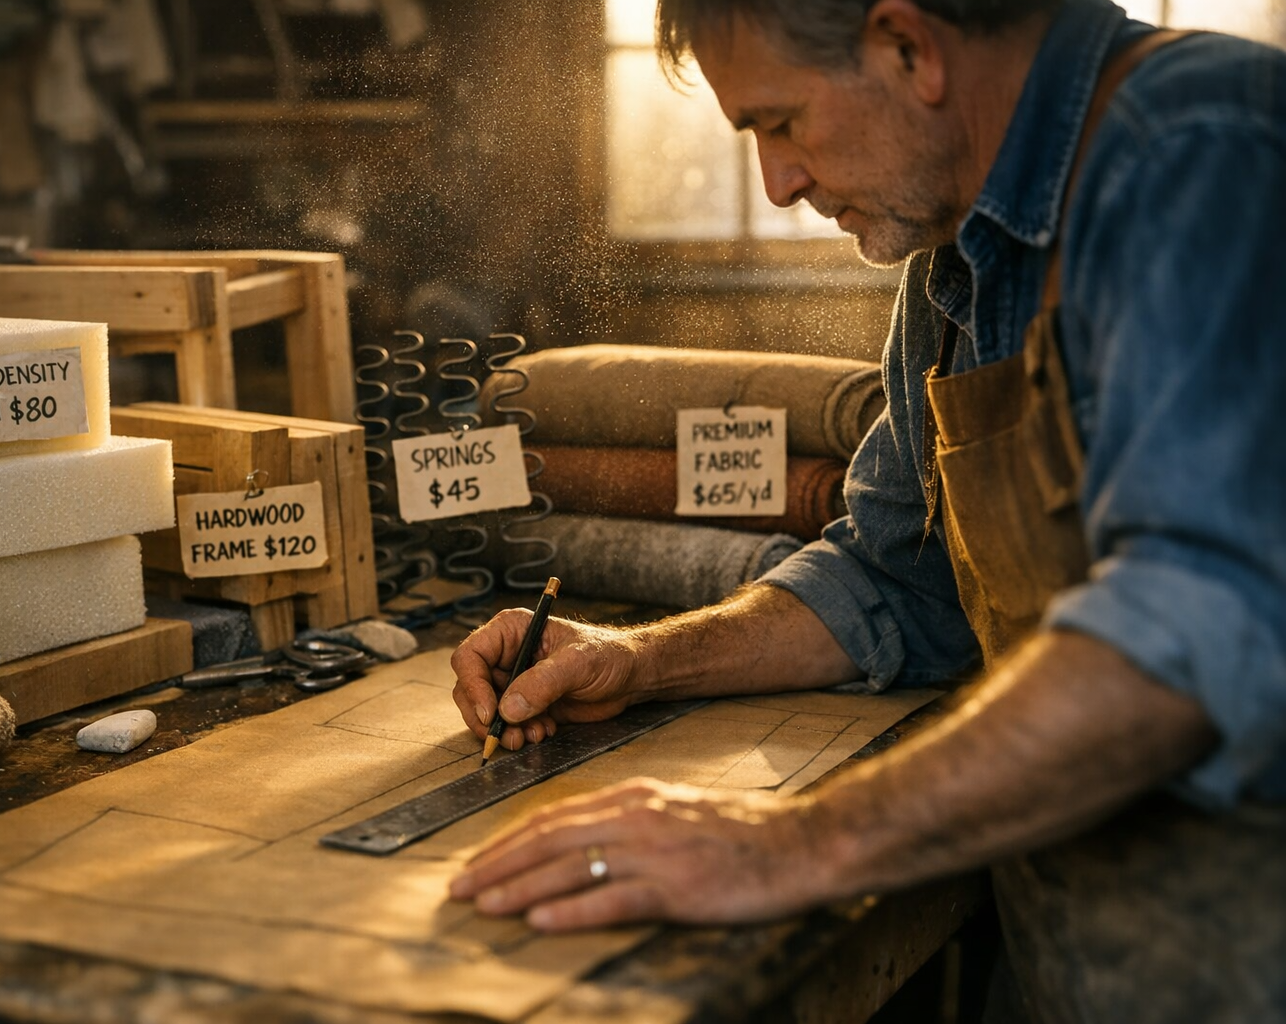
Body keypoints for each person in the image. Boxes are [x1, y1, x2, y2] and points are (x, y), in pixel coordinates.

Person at [446, 0, 1286, 1019]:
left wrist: (788, 841)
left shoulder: (1200, 154)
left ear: (907, 47)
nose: (778, 181)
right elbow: (892, 578)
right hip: (1084, 950)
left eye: (780, 121)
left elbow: (1196, 634)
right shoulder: (955, 255)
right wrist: (638, 658)